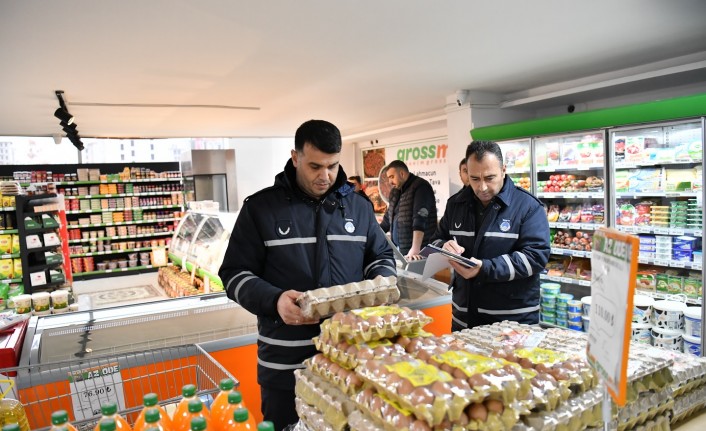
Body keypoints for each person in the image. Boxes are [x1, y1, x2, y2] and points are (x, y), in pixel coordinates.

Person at [218, 119, 396, 430]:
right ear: (295, 156)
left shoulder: (358, 207)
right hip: (285, 365)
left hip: (348, 361)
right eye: (315, 166)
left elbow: (380, 255)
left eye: (332, 166)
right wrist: (274, 301)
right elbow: (233, 273)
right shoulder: (261, 208)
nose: (325, 176)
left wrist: (379, 283)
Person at [432, 140, 550, 331]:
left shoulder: (528, 206)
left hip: (512, 323)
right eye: (475, 179)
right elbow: (437, 239)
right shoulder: (455, 204)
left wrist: (485, 269)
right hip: (464, 317)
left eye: (490, 177)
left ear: (503, 170)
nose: (483, 187)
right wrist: (443, 247)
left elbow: (536, 256)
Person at [379, 160, 437, 258]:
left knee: (417, 273)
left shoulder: (421, 186)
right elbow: (387, 221)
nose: (390, 182)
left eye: (392, 177)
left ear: (401, 173)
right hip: (399, 250)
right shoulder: (394, 192)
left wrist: (415, 248)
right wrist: (371, 236)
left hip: (418, 252)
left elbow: (420, 219)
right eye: (389, 178)